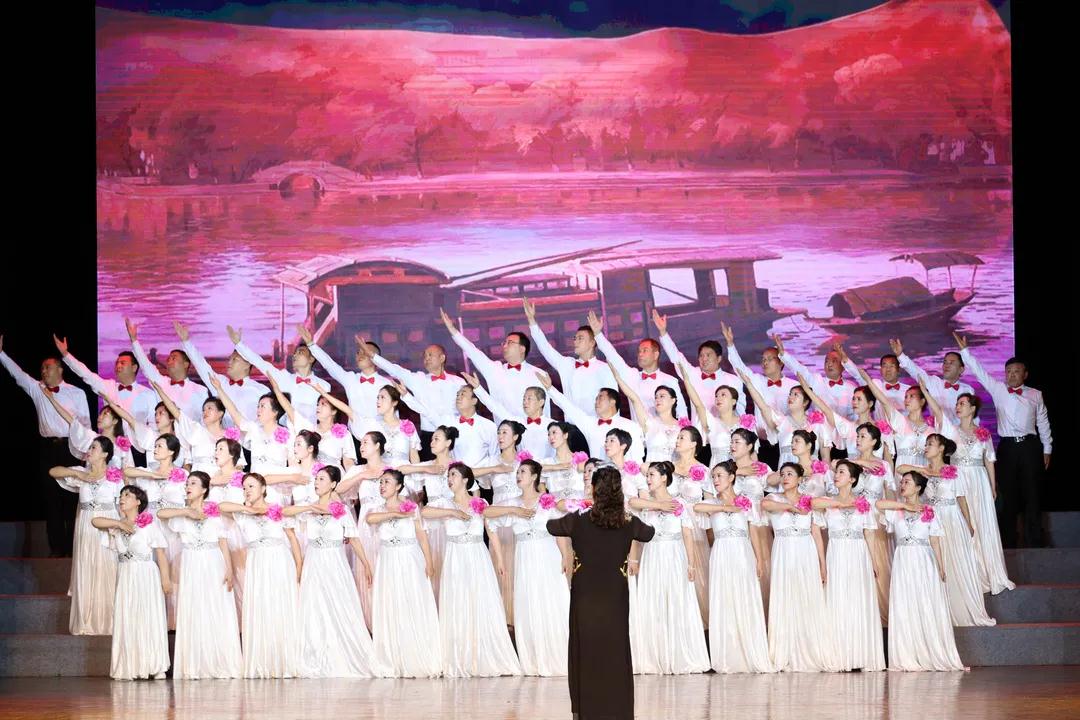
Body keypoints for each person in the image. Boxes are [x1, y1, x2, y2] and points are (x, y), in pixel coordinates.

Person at [546, 465, 655, 720]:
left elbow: (552, 526)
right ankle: (617, 710)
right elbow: (648, 533)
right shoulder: (628, 521)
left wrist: (580, 506)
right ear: (619, 492)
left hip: (585, 595)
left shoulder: (579, 519)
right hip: (614, 595)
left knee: (586, 649)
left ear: (594, 489)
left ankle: (588, 710)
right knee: (615, 648)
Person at [958, 334, 1052, 548]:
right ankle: (1008, 540)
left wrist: (1047, 448)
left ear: (1025, 374)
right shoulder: (998, 389)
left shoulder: (1035, 395)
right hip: (1007, 447)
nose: (1011, 375)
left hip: (1030, 446)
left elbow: (1043, 422)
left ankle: (1034, 540)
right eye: (1008, 371)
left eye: (1016, 371)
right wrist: (965, 352)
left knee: (1032, 492)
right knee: (1007, 494)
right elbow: (980, 372)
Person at [2, 336, 91, 556]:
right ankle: (56, 549)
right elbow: (18, 374)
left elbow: (85, 425)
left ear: (60, 370)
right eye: (42, 368)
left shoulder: (77, 393)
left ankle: (74, 549)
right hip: (48, 450)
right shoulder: (37, 389)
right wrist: (1, 354)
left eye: (48, 367)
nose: (43, 371)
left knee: (72, 499)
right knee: (52, 500)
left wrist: (86, 453)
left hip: (72, 448)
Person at [156, 471, 243, 679]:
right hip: (191, 563)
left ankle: (220, 661)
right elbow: (160, 514)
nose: (188, 486)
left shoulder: (214, 511)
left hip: (213, 561)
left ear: (204, 489)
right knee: (194, 606)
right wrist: (186, 511)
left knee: (215, 607)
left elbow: (222, 542)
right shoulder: (181, 513)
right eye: (187, 483)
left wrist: (229, 569)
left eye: (193, 483)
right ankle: (195, 664)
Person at [876, 471, 966, 671]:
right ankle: (907, 654)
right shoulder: (896, 510)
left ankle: (930, 651)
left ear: (918, 488)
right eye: (902, 482)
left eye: (907, 482)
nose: (903, 485)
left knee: (924, 601)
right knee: (905, 603)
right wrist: (904, 506)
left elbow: (935, 540)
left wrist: (940, 566)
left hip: (924, 561)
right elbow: (878, 504)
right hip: (903, 561)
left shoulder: (929, 511)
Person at [694, 461, 773, 673]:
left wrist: (758, 559)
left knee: (744, 596)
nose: (715, 480)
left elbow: (753, 531)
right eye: (713, 477)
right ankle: (727, 655)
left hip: (742, 553)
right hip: (721, 554)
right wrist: (723, 507)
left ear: (731, 477)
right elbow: (697, 507)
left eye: (719, 475)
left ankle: (749, 652)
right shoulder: (711, 503)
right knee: (724, 598)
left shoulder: (745, 502)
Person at [92, 485, 172, 680]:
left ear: (138, 502)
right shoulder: (116, 525)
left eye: (127, 495)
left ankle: (154, 665)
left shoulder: (148, 525)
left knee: (147, 615)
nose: (122, 498)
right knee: (127, 615)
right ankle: (129, 665)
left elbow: (161, 554)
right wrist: (119, 524)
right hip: (126, 575)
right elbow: (95, 521)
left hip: (145, 573)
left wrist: (165, 580)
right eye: (121, 495)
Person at [440, 308, 549, 424]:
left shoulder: (539, 374)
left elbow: (545, 410)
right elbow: (473, 351)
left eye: (510, 343)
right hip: (503, 431)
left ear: (522, 348)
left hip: (532, 431)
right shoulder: (494, 369)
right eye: (504, 343)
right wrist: (453, 330)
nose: (505, 346)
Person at [524, 298, 615, 417]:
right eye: (575, 338)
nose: (575, 342)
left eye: (580, 338)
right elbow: (546, 348)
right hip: (571, 425)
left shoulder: (605, 368)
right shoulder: (567, 364)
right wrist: (531, 320)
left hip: (597, 424)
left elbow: (613, 402)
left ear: (592, 342)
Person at [589, 310, 687, 422]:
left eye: (645, 350)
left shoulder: (669, 380)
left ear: (656, 355)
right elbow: (613, 356)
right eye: (639, 351)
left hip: (664, 432)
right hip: (638, 432)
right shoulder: (632, 376)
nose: (640, 354)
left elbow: (682, 412)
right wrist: (598, 334)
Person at [722, 324, 797, 468]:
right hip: (762, 444)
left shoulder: (793, 387)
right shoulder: (757, 381)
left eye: (769, 359)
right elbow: (740, 368)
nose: (765, 362)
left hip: (787, 443)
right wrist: (730, 344)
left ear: (781, 362)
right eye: (763, 359)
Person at [652, 308, 745, 418]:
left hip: (726, 428)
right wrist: (663, 332)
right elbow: (676, 357)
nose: (704, 359)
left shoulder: (733, 380)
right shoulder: (692, 374)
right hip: (699, 428)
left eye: (708, 355)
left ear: (719, 358)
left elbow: (740, 411)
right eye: (701, 356)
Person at [230, 324, 329, 423]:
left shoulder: (324, 386)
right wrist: (239, 344)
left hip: (312, 431)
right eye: (294, 353)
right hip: (283, 430)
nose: (295, 356)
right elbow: (260, 363)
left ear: (311, 359)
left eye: (300, 352)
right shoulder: (283, 377)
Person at [174, 320, 268, 423]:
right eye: (230, 359)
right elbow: (202, 366)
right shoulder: (220, 382)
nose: (229, 362)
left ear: (247, 364)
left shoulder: (261, 390)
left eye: (235, 359)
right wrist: (186, 342)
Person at [126, 318, 209, 423]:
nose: (169, 361)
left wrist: (186, 341)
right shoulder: (161, 382)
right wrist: (134, 340)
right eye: (168, 359)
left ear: (186, 364)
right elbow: (146, 365)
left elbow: (203, 421)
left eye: (173, 358)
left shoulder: (200, 390)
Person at [302, 326, 391, 424]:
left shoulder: (386, 384)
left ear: (375, 357)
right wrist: (311, 345)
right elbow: (329, 365)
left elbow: (393, 414)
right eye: (358, 352)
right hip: (355, 432)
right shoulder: (350, 378)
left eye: (365, 353)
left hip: (379, 432)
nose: (360, 356)